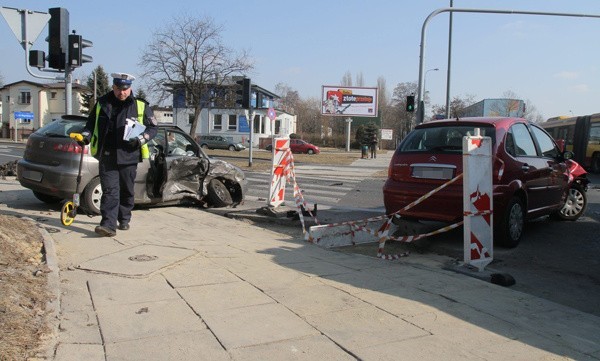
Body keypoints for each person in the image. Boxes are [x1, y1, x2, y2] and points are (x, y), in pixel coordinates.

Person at [72, 73, 158, 237]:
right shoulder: (102, 103)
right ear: (113, 87)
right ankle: (108, 225)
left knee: (126, 190)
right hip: (107, 154)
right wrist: (85, 136)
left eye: (125, 89)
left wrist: (141, 139)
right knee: (110, 190)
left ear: (130, 88)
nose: (122, 93)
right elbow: (90, 125)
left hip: (129, 155)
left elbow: (153, 128)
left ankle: (124, 217)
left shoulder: (140, 105)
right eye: (119, 89)